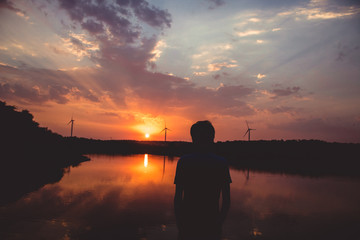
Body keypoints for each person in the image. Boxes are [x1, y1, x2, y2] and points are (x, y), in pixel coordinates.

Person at [174, 120, 231, 240]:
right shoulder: (221, 163)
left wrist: (180, 224)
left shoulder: (184, 162)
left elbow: (178, 197)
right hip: (212, 222)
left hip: (188, 223)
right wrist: (219, 223)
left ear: (193, 139)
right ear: (212, 138)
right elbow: (226, 200)